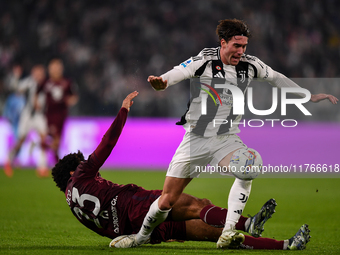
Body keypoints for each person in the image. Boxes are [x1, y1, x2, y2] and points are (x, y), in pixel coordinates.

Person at [114, 19, 338, 249]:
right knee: (167, 201)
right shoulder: (206, 60)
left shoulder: (251, 65)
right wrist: (163, 82)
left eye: (244, 46)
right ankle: (141, 237)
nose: (241, 51)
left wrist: (306, 95)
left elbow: (275, 77)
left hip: (226, 139)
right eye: (236, 46)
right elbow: (181, 70)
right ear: (223, 43)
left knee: (248, 167)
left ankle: (228, 232)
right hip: (196, 139)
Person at [51, 91, 310, 250]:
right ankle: (249, 223)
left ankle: (285, 245)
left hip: (135, 230)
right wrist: (123, 111)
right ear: (73, 171)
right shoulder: (82, 174)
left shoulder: (71, 203)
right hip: (135, 206)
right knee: (197, 204)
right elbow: (107, 144)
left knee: (216, 232)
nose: (95, 174)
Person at [4, 65, 49, 178]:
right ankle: (8, 160)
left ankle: (42, 167)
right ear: (33, 73)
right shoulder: (29, 82)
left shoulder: (47, 84)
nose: (38, 75)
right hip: (28, 115)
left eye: (40, 72)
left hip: (40, 115)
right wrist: (16, 76)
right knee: (21, 140)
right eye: (36, 72)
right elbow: (16, 87)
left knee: (44, 139)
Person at [36, 58, 78, 163]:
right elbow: (36, 92)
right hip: (49, 115)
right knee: (56, 141)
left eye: (57, 67)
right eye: (53, 67)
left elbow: (74, 96)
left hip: (62, 115)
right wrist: (36, 102)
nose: (55, 69)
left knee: (56, 142)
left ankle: (40, 145)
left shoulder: (67, 82)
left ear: (61, 68)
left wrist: (70, 100)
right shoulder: (46, 82)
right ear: (49, 69)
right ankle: (57, 162)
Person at [3, 64, 25, 177]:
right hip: (15, 124)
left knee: (20, 142)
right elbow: (7, 111)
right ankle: (10, 161)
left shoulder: (23, 98)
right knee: (17, 142)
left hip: (24, 123)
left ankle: (13, 160)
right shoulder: (12, 98)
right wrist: (10, 119)